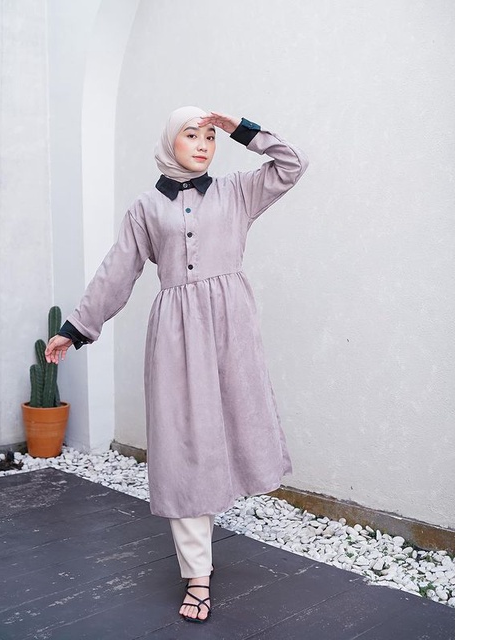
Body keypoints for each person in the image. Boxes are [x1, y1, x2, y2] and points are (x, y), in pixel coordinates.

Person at [45, 107, 309, 623]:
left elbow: (292, 164)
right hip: (176, 333)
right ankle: (197, 574)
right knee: (183, 444)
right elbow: (117, 270)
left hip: (231, 328)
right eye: (192, 135)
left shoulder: (238, 191)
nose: (204, 143)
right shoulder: (146, 208)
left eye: (210, 136)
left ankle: (224, 511)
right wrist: (75, 328)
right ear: (171, 142)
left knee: (237, 426)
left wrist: (241, 130)